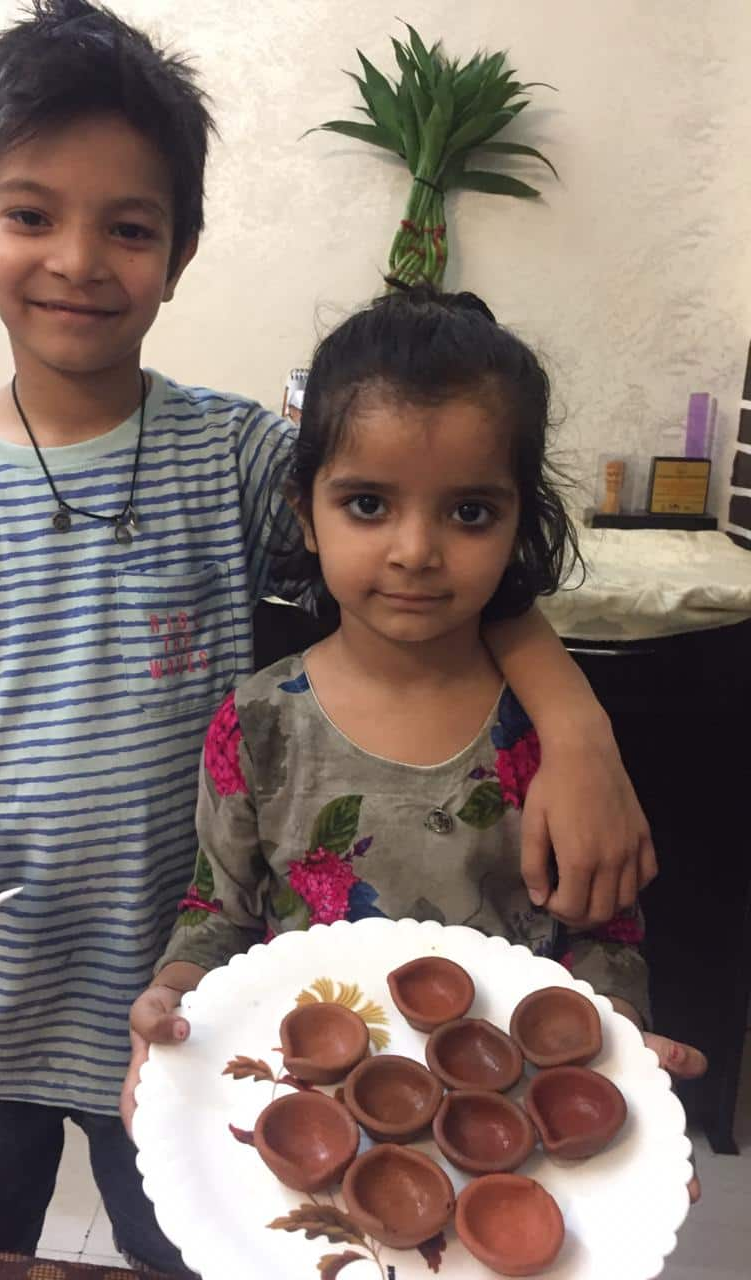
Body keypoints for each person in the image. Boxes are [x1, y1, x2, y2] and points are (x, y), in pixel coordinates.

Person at [0, 2, 661, 1272]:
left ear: (183, 246)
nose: (78, 259)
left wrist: (579, 727)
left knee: (211, 1245)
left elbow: (438, 568)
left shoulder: (247, 457)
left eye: (130, 225)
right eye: (32, 214)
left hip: (195, 1006)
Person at [127, 287, 706, 1206]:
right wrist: (175, 993)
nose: (415, 550)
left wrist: (620, 1034)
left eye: (470, 512)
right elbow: (219, 907)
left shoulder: (550, 739)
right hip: (310, 1132)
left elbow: (605, 931)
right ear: (305, 512)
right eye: (367, 503)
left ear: (521, 522)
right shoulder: (260, 723)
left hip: (507, 1136)